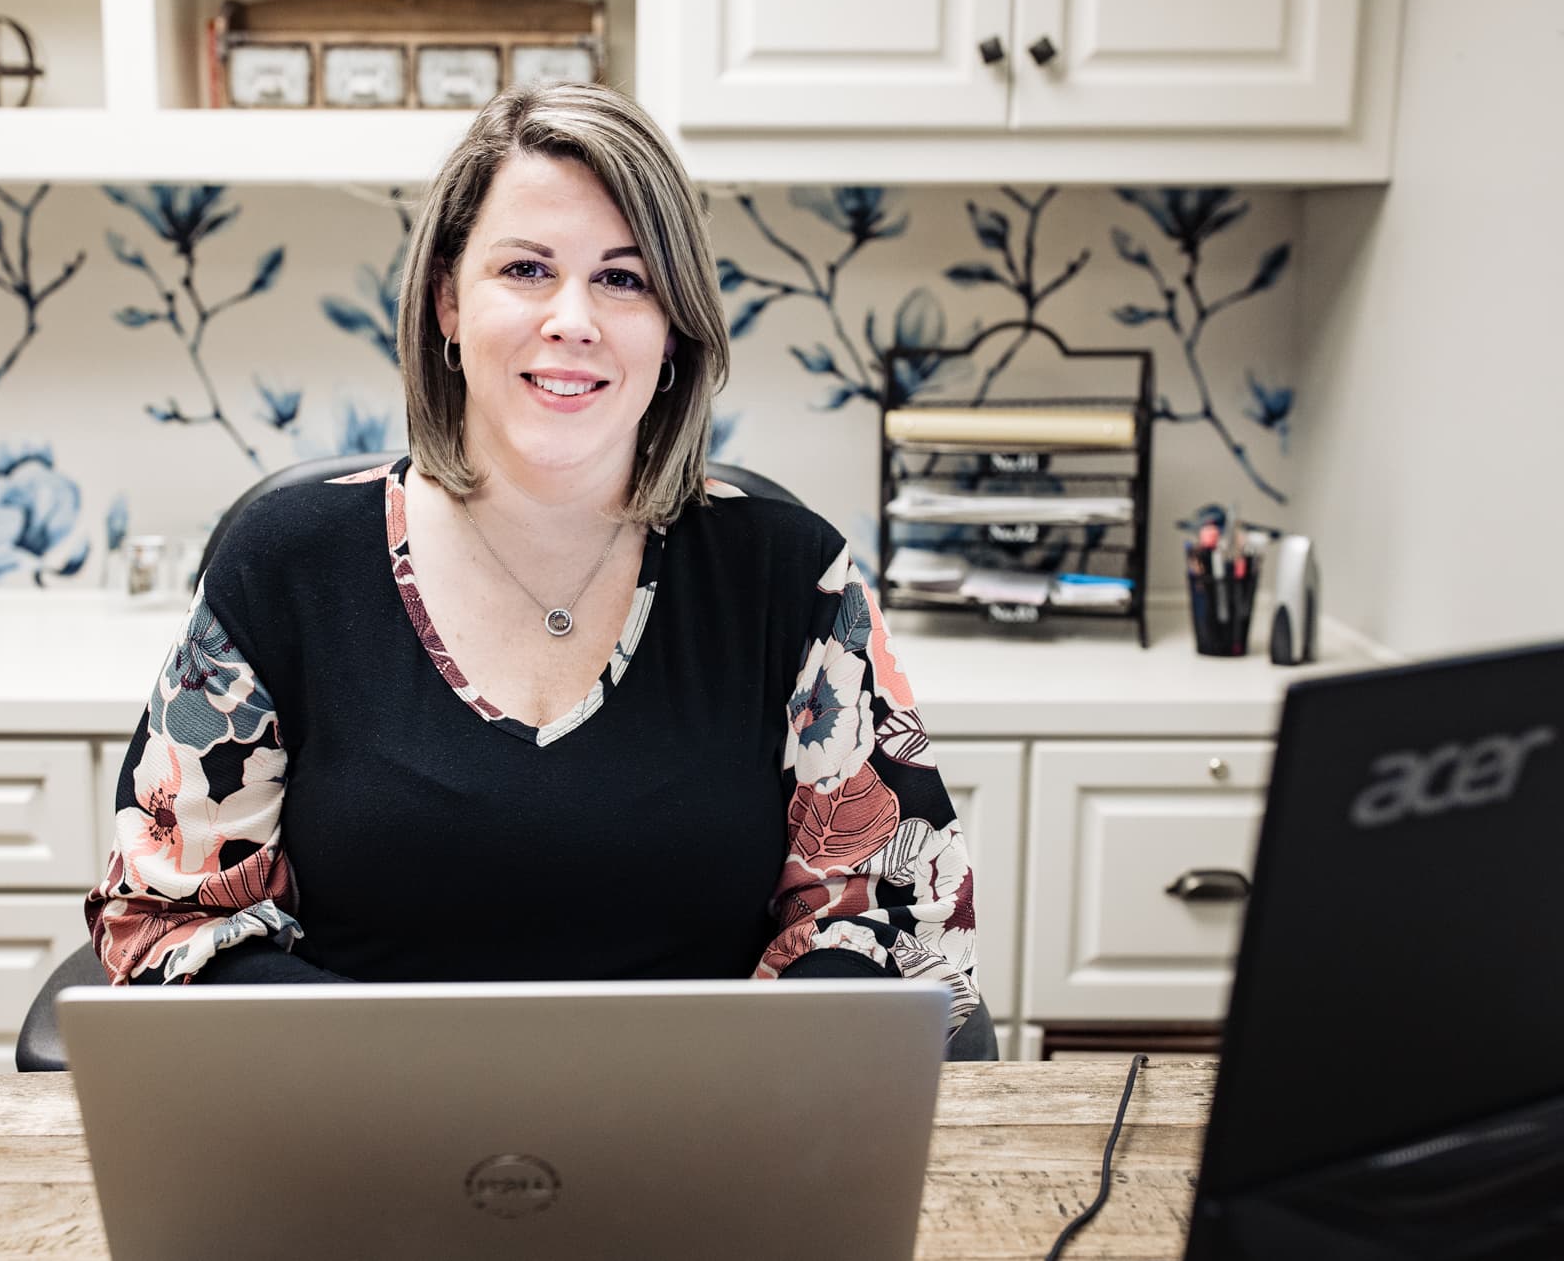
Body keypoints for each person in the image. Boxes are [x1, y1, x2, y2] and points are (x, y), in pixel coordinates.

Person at [84, 82, 980, 1037]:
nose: (573, 319)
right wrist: (421, 1082)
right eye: (525, 268)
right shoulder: (285, 566)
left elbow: (896, 925)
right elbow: (168, 921)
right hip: (351, 1137)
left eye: (624, 278)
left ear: (673, 328)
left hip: (708, 1143)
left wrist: (720, 1092)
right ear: (447, 302)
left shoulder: (796, 581)